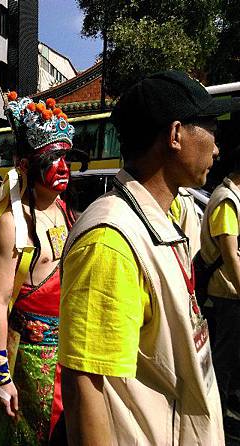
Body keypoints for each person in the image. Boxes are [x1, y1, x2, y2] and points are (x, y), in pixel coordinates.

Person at [59, 70, 234, 444]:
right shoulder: (111, 240)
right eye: (209, 129)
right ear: (175, 135)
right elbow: (86, 386)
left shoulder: (160, 221)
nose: (217, 148)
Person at [0, 93, 75, 445]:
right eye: (52, 159)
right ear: (24, 164)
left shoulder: (65, 210)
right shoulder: (11, 223)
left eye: (66, 157)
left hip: (70, 353)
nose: (63, 166)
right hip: (34, 358)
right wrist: (0, 375)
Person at [198, 145, 240, 436]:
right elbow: (231, 256)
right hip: (228, 296)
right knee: (223, 366)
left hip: (232, 295)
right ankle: (220, 425)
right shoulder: (227, 201)